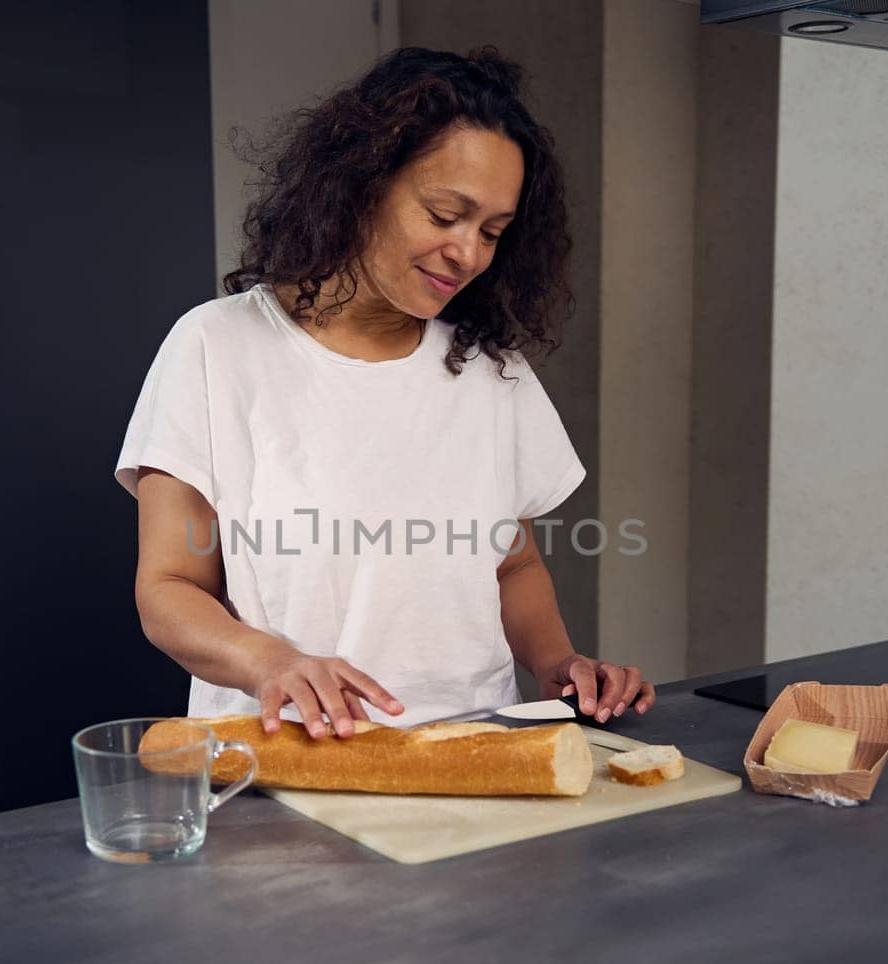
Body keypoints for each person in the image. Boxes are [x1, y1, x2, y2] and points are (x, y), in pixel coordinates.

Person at [116, 46, 655, 740]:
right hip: (284, 765)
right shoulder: (217, 348)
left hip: (472, 754)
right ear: (362, 184)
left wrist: (559, 664)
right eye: (443, 214)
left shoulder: (491, 371)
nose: (468, 252)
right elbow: (167, 590)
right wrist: (269, 660)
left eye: (492, 231)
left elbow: (513, 564)